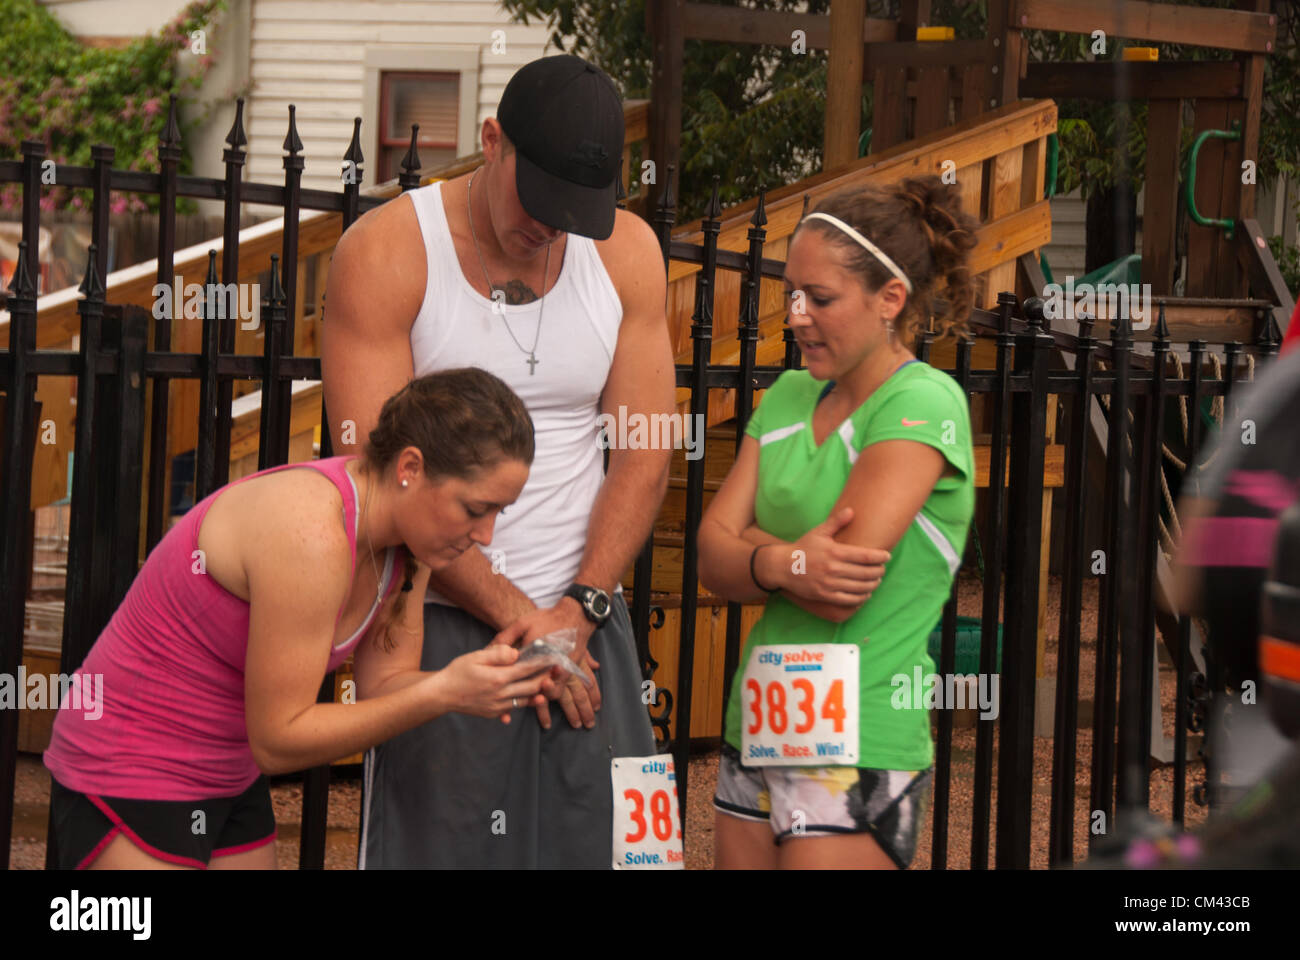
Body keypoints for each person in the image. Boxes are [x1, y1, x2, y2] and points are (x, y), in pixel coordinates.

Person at [321, 54, 674, 868]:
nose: (550, 228)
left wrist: (577, 612)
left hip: (587, 623)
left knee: (621, 855)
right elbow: (384, 481)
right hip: (438, 620)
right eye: (540, 199)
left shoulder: (628, 254)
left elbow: (646, 454)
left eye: (576, 212)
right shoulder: (387, 253)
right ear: (491, 142)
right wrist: (526, 621)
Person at [42, 368, 558, 869]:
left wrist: (484, 682)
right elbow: (279, 739)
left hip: (229, 773)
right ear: (410, 468)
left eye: (499, 513)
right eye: (475, 509)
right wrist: (444, 692)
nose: (486, 535)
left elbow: (385, 687)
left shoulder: (414, 545)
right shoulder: (313, 532)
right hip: (130, 767)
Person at [698, 175, 978, 869]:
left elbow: (841, 580)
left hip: (861, 736)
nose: (795, 315)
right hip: (757, 722)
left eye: (819, 298)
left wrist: (754, 552)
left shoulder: (925, 399)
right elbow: (709, 557)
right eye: (791, 293)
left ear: (891, 300)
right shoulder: (790, 391)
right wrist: (782, 561)